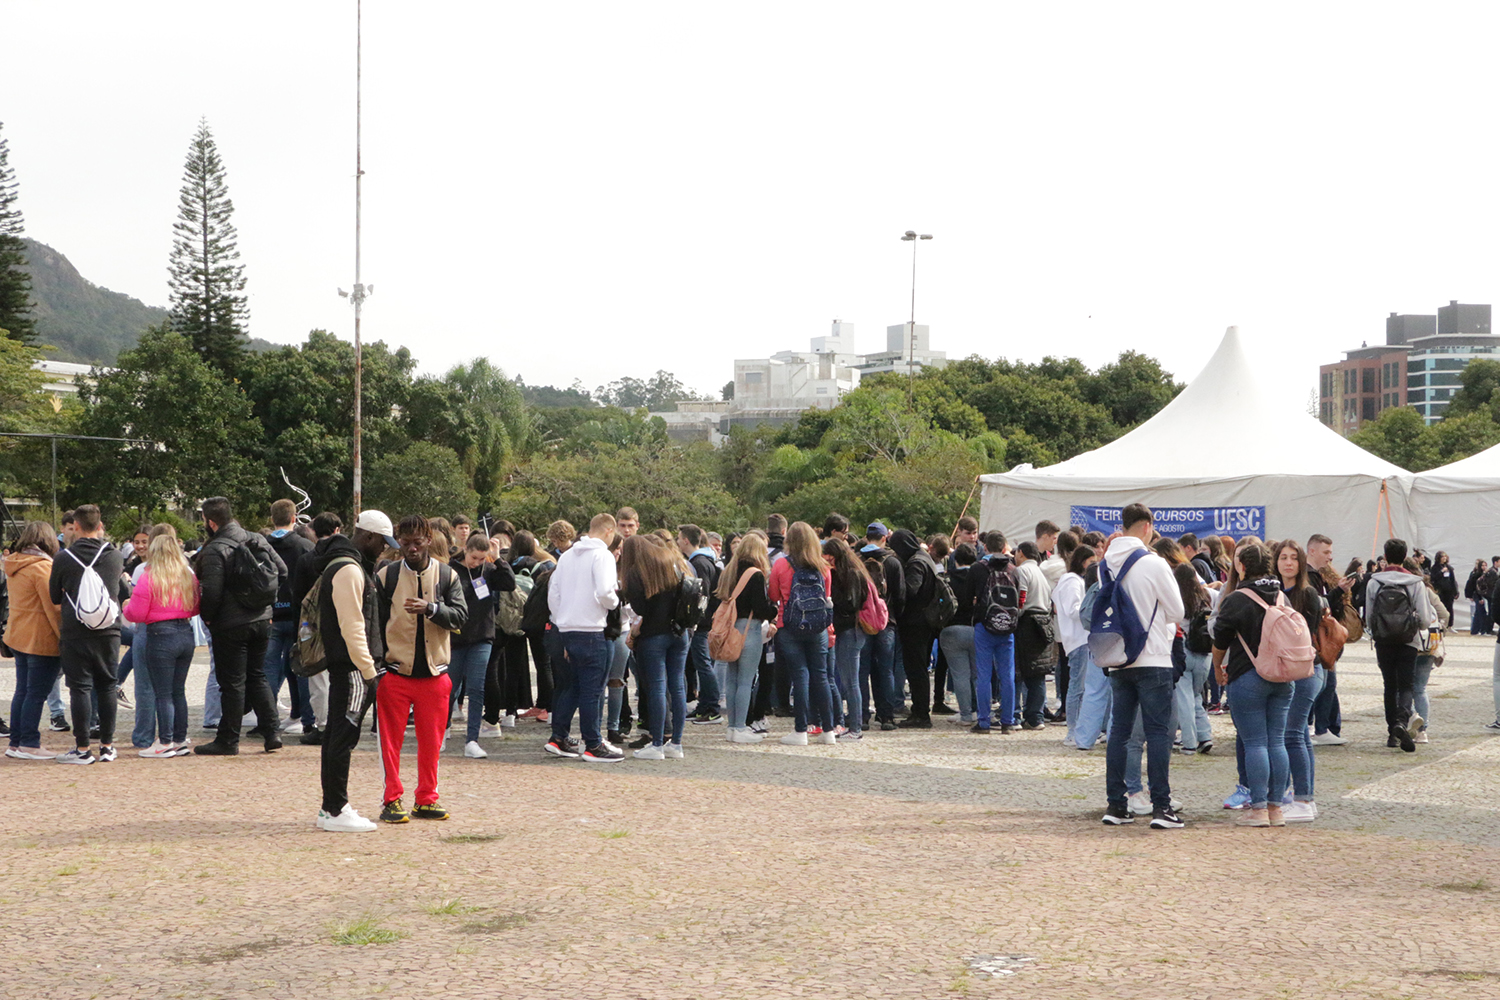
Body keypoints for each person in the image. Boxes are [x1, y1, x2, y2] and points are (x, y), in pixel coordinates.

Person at [373, 514, 467, 821]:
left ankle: (427, 797)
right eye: (405, 542)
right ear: (397, 541)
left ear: (429, 539)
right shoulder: (386, 576)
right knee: (390, 743)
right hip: (396, 672)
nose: (411, 548)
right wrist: (377, 666)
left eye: (417, 542)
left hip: (435, 673)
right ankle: (392, 799)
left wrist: (432, 608)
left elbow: (461, 616)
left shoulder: (446, 575)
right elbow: (373, 624)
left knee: (432, 742)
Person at [1100, 504, 1186, 830]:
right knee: (1158, 734)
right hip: (1153, 657)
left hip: (1118, 658)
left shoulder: (1104, 564)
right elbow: (1177, 610)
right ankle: (1162, 808)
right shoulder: (1153, 562)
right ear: (1148, 526)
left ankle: (1116, 805)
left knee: (1119, 733)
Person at [314, 511, 390, 833]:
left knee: (335, 735)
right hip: (353, 666)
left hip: (345, 664)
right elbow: (353, 626)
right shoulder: (349, 569)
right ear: (369, 537)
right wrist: (369, 670)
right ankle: (336, 808)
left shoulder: (341, 563)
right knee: (343, 736)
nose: (384, 550)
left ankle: (332, 805)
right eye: (383, 543)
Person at [194, 496, 288, 755]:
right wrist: (265, 602)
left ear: (211, 522)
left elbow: (211, 591)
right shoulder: (255, 538)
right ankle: (272, 733)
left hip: (230, 623)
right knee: (256, 676)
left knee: (232, 682)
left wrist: (208, 617)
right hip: (261, 619)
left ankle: (228, 739)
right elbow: (281, 571)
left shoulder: (215, 549)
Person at [1212, 541, 1293, 828]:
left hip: (1248, 675)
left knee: (1255, 743)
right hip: (1283, 677)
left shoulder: (1237, 598)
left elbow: (1220, 638)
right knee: (1277, 742)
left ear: (1242, 566)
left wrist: (1218, 667)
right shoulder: (1281, 596)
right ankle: (1277, 809)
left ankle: (1257, 809)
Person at [48, 504, 131, 764]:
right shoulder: (115, 556)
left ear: (77, 526)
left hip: (75, 630)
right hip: (108, 630)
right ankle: (107, 746)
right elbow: (123, 592)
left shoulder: (64, 558)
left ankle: (82, 748)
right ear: (100, 525)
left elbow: (54, 597)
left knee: (80, 688)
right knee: (107, 684)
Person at [545, 513, 622, 762]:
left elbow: (553, 594)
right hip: (591, 628)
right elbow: (605, 592)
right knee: (592, 689)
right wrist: (615, 602)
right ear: (609, 531)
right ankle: (593, 744)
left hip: (566, 628)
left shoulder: (567, 556)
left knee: (573, 685)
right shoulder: (603, 556)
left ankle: (559, 737)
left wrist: (561, 620)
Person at [122, 525, 200, 758]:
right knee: (179, 691)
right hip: (185, 633)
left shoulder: (149, 577)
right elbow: (195, 606)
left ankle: (165, 741)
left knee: (162, 692)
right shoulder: (188, 575)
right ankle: (179, 739)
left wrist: (126, 606)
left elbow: (135, 613)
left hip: (160, 634)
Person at [1364, 538, 1437, 753]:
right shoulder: (1415, 583)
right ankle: (1401, 722)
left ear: (1385, 557)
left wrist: (1376, 630)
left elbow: (1368, 616)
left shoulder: (1374, 582)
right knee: (1406, 685)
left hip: (1383, 640)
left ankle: (1391, 733)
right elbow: (1424, 618)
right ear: (1405, 557)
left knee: (1389, 685)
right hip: (1408, 640)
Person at [621, 534, 690, 759]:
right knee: (678, 687)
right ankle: (676, 743)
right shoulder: (673, 562)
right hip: (679, 633)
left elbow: (640, 608)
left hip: (653, 635)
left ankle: (657, 743)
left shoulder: (636, 572)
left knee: (657, 688)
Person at [769, 521, 836, 745]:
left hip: (789, 625)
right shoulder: (823, 567)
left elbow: (773, 595)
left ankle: (800, 730)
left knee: (799, 676)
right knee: (822, 676)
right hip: (818, 627)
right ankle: (829, 730)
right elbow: (826, 596)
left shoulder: (781, 565)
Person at [450, 531, 515, 759]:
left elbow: (509, 583)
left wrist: (497, 559)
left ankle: (472, 740)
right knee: (450, 687)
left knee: (477, 687)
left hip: (482, 636)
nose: (477, 563)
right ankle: (441, 729)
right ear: (465, 550)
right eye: (474, 558)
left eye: (481, 558)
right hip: (456, 637)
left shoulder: (488, 569)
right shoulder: (451, 570)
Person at [1273, 539, 1323, 822]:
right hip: (1287, 670)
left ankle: (1303, 801)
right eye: (1283, 558)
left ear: (1301, 563)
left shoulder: (1308, 594)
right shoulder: (1274, 591)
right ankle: (1305, 797)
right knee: (1300, 733)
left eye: (1293, 558)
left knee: (1292, 733)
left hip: (1306, 669)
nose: (1288, 563)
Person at [4, 522, 63, 760]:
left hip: (18, 635)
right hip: (41, 638)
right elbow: (53, 609)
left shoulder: (15, 564)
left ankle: (16, 742)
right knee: (36, 693)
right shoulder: (42, 568)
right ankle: (29, 742)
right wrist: (65, 637)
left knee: (22, 691)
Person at [716, 532, 777, 742]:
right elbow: (761, 609)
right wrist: (774, 610)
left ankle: (732, 726)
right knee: (746, 680)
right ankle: (741, 727)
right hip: (748, 629)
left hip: (730, 629)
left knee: (732, 679)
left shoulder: (729, 572)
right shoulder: (755, 574)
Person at [291, 511, 344, 746]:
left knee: (318, 679)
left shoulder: (306, 559)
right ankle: (341, 722)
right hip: (342, 621)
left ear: (313, 531)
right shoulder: (346, 558)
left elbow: (298, 596)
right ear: (337, 530)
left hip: (313, 624)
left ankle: (323, 724)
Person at [265, 499, 315, 736]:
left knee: (269, 669)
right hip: (299, 616)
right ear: (295, 518)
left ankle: (267, 719)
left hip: (270, 613)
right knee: (302, 668)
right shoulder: (305, 545)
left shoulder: (262, 545)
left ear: (272, 518)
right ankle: (307, 719)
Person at [970, 531, 1019, 735]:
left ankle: (983, 722)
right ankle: (1008, 721)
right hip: (1007, 627)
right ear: (1005, 546)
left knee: (984, 674)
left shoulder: (978, 568)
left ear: (986, 548)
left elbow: (966, 596)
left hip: (984, 624)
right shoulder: (1013, 569)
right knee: (1007, 674)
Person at [890, 528, 938, 728]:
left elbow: (911, 590)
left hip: (916, 623)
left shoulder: (916, 563)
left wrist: (894, 589)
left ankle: (921, 713)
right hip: (924, 622)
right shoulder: (924, 557)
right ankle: (920, 710)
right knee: (919, 668)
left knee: (916, 669)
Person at [824, 537, 870, 741]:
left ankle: (856, 728)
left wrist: (830, 602)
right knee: (847, 679)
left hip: (850, 629)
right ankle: (852, 726)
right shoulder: (852, 571)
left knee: (851, 681)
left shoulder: (850, 574)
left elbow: (851, 604)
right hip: (848, 629)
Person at [859, 523, 903, 730]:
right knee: (886, 670)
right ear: (885, 538)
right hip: (887, 622)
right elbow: (901, 595)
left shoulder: (856, 560)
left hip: (862, 622)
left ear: (867, 537)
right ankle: (886, 716)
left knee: (862, 669)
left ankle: (862, 716)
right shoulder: (893, 562)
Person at [1307, 534, 1350, 746]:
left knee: (1327, 683)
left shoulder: (1317, 575)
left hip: (1321, 636)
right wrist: (1338, 592)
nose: (1329, 557)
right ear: (1312, 551)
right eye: (1326, 552)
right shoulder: (1309, 576)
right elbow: (1318, 607)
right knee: (1321, 684)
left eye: (1331, 552)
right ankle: (1316, 728)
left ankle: (1323, 728)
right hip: (1315, 638)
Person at [678, 524, 722, 725]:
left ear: (686, 540)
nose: (678, 542)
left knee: (703, 664)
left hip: (702, 623)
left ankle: (712, 707)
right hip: (704, 620)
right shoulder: (703, 560)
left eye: (679, 538)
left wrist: (694, 618)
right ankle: (704, 705)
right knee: (701, 663)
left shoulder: (699, 562)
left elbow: (700, 593)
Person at [1055, 544, 1095, 748]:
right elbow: (1073, 610)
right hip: (1079, 639)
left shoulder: (1074, 581)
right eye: (1090, 561)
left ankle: (1081, 728)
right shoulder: (1071, 581)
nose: (1094, 565)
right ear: (1081, 562)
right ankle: (1072, 730)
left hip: (1082, 639)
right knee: (1077, 687)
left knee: (1082, 687)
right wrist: (1093, 606)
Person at [1012, 540, 1053, 729]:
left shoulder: (1022, 571)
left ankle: (1015, 714)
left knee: (1019, 671)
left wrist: (1015, 616)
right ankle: (1036, 717)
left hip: (1027, 622)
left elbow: (1021, 597)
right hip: (1044, 622)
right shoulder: (1041, 573)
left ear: (1021, 553)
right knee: (1038, 673)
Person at [938, 543, 979, 725]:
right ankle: (980, 710)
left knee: (960, 675)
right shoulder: (979, 577)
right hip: (976, 628)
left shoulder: (946, 579)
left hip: (952, 629)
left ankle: (965, 714)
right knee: (978, 674)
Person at [1431, 551, 1458, 627]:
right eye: (1442, 557)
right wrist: (1441, 572)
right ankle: (1441, 623)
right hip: (1440, 591)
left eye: (1445, 557)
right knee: (1441, 607)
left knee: (1450, 608)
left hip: (1449, 591)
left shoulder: (1449, 568)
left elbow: (1453, 580)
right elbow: (1433, 578)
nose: (1444, 558)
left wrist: (1455, 591)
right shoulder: (1435, 568)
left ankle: (1450, 625)